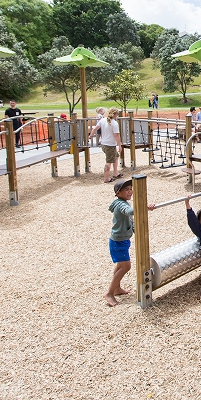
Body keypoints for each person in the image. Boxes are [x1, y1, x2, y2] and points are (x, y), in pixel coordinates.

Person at [104, 179, 134, 307]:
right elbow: (129, 212)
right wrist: (143, 205)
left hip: (121, 240)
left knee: (120, 266)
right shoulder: (122, 205)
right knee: (126, 267)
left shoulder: (121, 202)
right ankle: (109, 293)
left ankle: (117, 288)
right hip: (118, 242)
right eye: (126, 189)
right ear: (118, 192)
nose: (130, 191)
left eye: (131, 189)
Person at [91, 107, 122, 183]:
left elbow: (95, 128)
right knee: (109, 161)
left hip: (104, 144)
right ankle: (106, 178)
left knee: (116, 157)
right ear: (115, 114)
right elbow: (117, 135)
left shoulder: (102, 120)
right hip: (110, 145)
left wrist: (91, 135)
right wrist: (120, 145)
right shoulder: (114, 123)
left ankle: (115, 172)